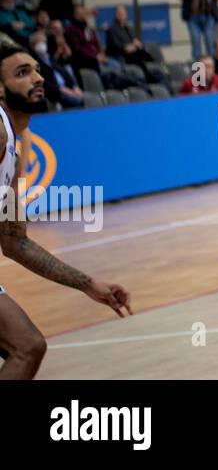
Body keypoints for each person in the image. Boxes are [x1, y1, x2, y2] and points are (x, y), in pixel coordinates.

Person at [0, 44, 132, 378]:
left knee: (28, 346)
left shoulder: (12, 153)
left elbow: (16, 242)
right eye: (22, 73)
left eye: (36, 69)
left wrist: (88, 284)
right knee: (27, 346)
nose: (37, 78)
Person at [29, 32, 83, 108]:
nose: (41, 44)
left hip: (68, 89)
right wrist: (62, 89)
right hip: (55, 93)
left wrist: (74, 87)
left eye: (43, 42)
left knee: (84, 97)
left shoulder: (51, 58)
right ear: (32, 46)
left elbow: (65, 73)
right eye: (38, 42)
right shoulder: (33, 63)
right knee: (77, 101)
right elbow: (46, 84)